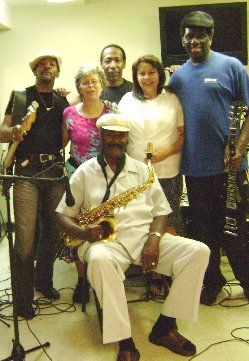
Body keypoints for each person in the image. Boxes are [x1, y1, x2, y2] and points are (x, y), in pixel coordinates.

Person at [56, 113, 210, 360]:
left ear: (126, 139)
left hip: (144, 238)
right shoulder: (84, 172)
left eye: (120, 136)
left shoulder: (143, 171)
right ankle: (125, 341)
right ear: (102, 136)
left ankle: (165, 326)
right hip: (105, 243)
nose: (116, 140)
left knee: (199, 251)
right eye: (110, 135)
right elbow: (63, 215)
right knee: (100, 261)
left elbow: (161, 212)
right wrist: (84, 233)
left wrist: (154, 238)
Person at [167, 11, 249, 305]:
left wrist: (239, 147)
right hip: (195, 169)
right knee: (204, 232)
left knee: (236, 229)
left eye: (200, 35)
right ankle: (213, 282)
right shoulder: (178, 77)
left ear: (210, 37)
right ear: (183, 39)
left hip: (229, 167)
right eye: (189, 35)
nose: (195, 40)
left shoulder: (232, 66)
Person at [0, 50, 69, 319]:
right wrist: (14, 131)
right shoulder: (21, 96)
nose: (47, 66)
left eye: (52, 64)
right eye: (42, 64)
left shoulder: (62, 100)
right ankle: (22, 298)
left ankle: (44, 282)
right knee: (25, 239)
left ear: (57, 72)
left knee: (53, 233)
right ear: (35, 71)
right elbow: (2, 131)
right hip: (26, 172)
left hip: (54, 172)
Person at [119, 54, 184, 296]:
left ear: (159, 74)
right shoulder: (127, 100)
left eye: (151, 72)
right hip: (136, 174)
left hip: (167, 170)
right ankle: (150, 272)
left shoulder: (172, 99)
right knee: (143, 223)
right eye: (141, 73)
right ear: (136, 77)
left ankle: (166, 274)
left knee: (168, 221)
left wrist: (162, 154)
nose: (147, 77)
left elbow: (181, 137)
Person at [61, 64, 116, 303]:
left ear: (101, 84)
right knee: (78, 225)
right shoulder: (69, 113)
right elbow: (60, 145)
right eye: (85, 82)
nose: (90, 86)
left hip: (105, 175)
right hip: (76, 174)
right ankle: (82, 280)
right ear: (79, 88)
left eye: (94, 81)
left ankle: (105, 271)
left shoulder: (112, 111)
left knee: (103, 222)